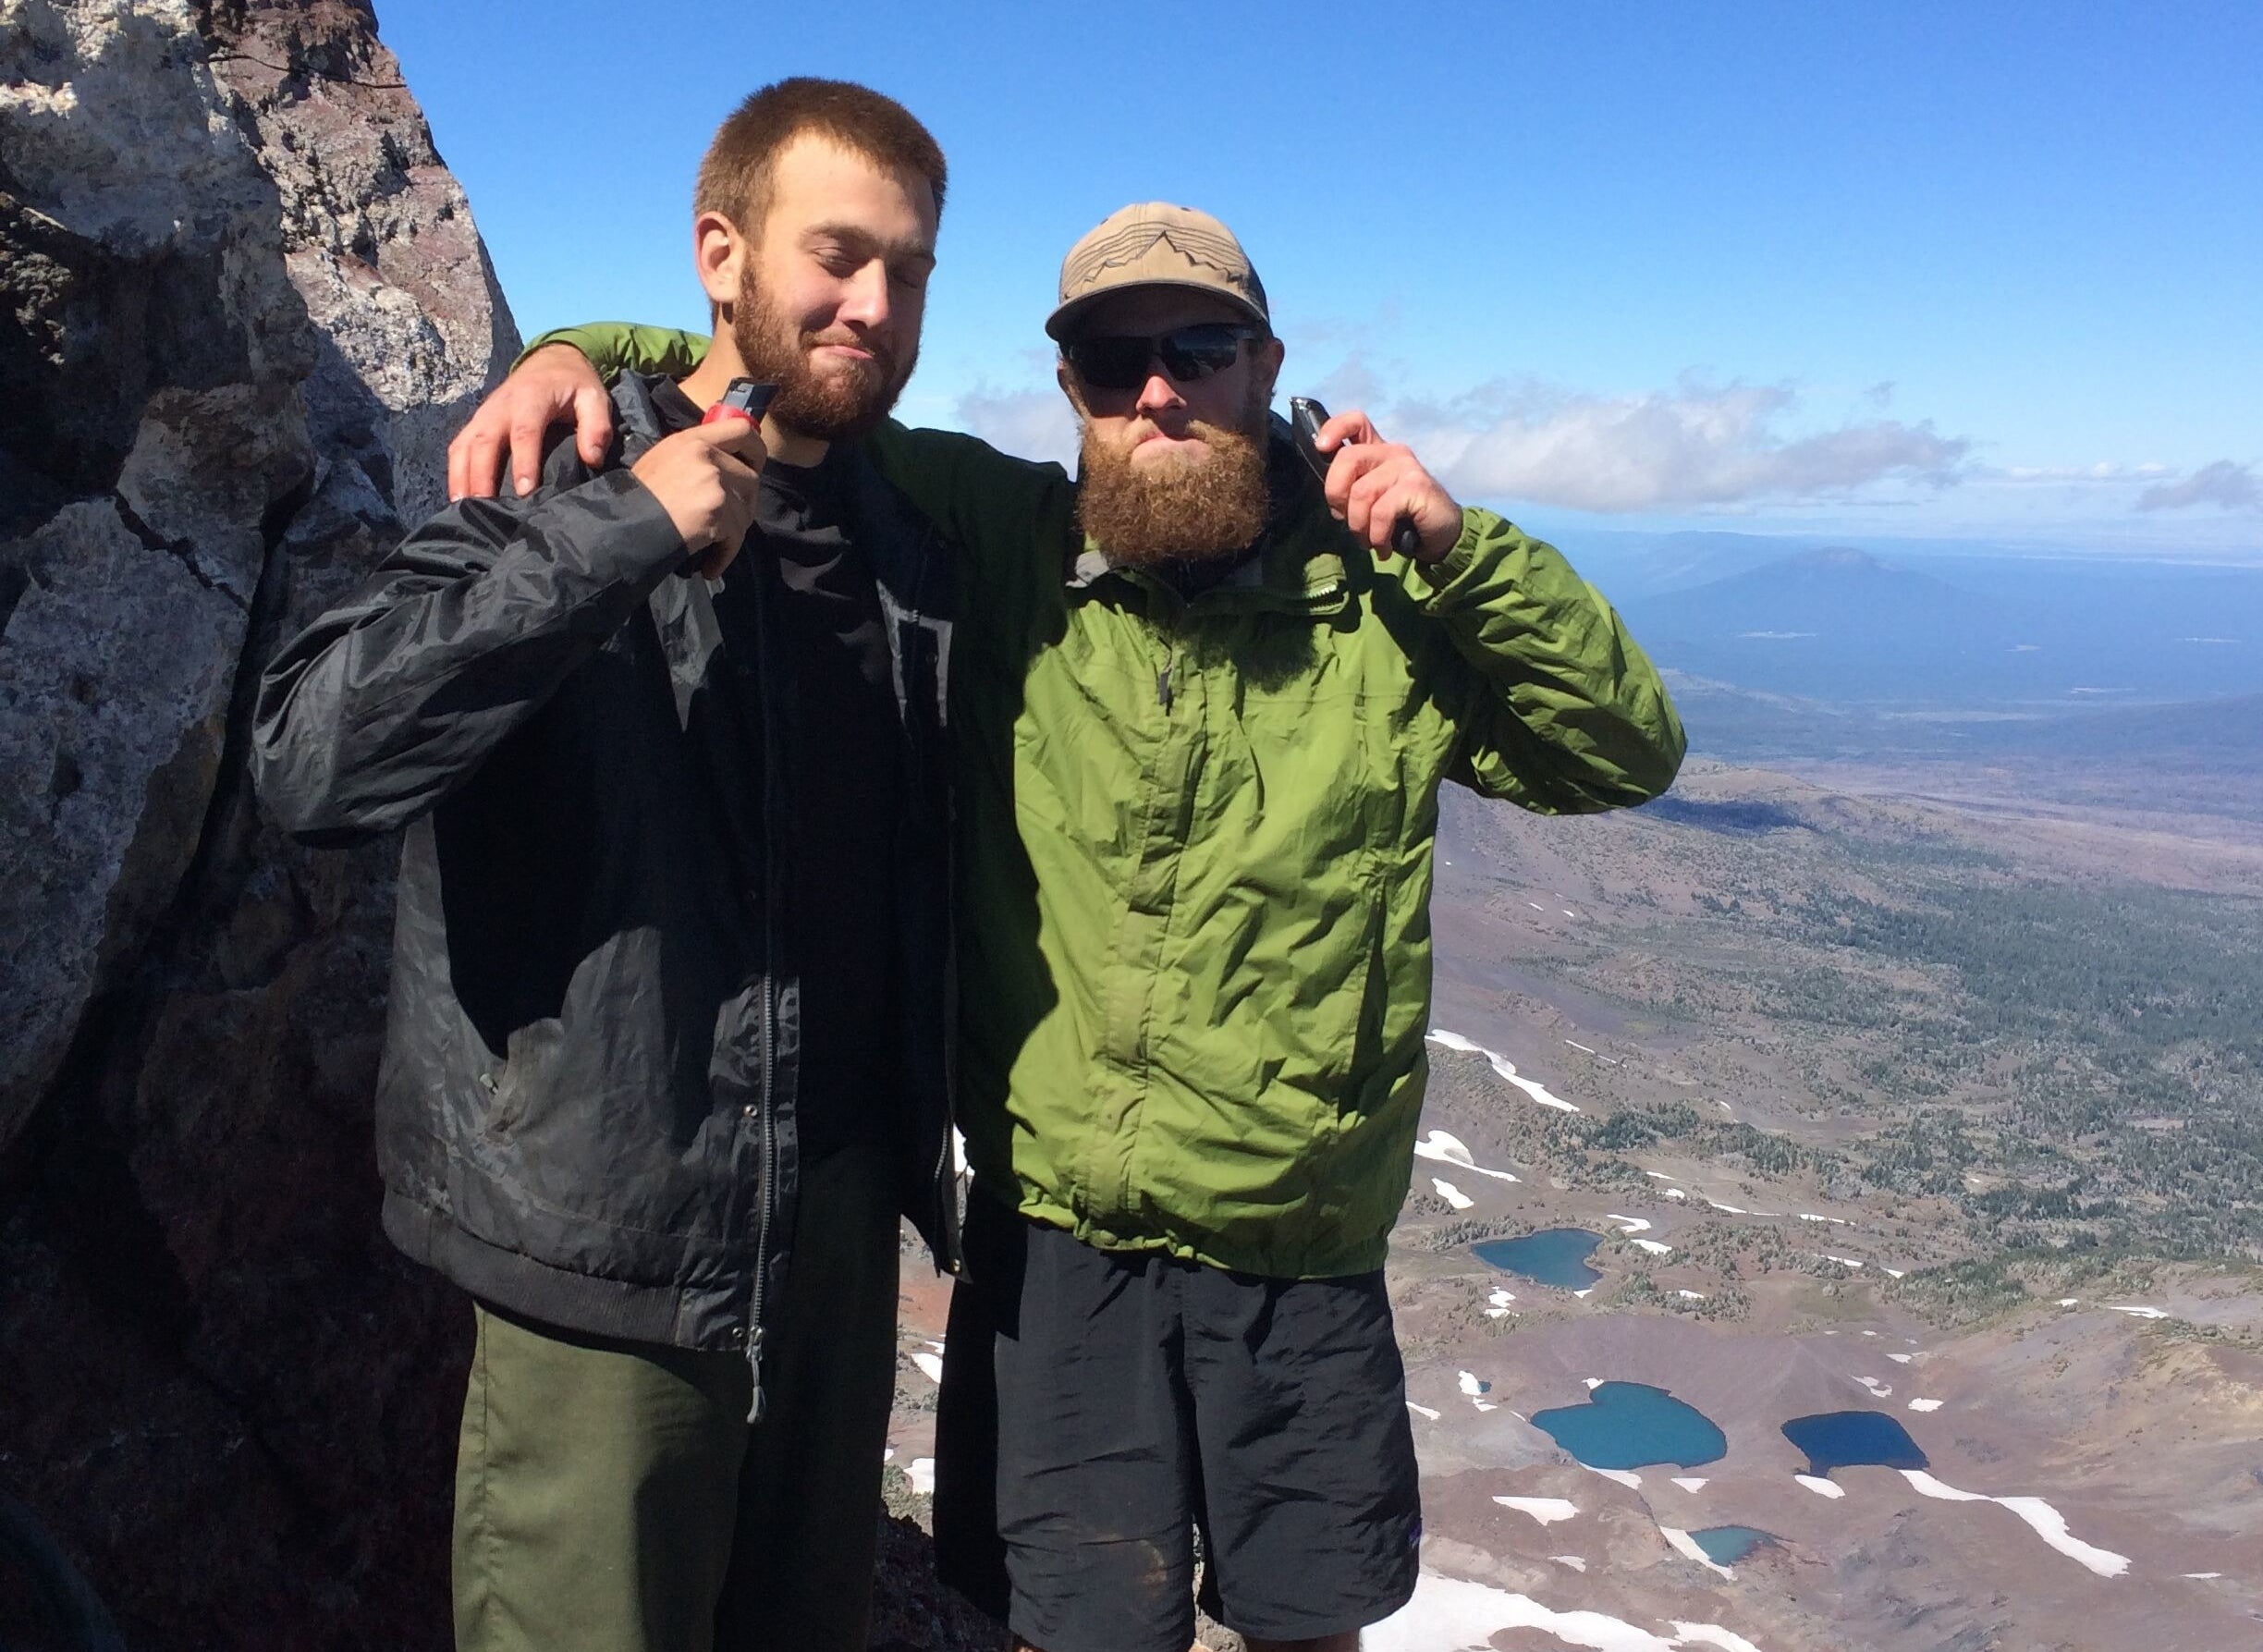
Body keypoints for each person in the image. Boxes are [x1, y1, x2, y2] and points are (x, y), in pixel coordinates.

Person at [456, 202, 1685, 1652]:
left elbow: (1620, 750)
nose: (1156, 390)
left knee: (1309, 1627)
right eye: (1112, 362)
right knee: (1072, 1630)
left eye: (1200, 349)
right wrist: (572, 351)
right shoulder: (1005, 537)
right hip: (1054, 1241)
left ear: (1266, 365)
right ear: (1071, 391)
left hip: (1292, 1248)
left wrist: (1463, 550)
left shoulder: (1382, 601)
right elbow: (800, 375)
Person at [251, 80, 959, 1652]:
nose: (875, 304)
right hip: (611, 1259)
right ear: (722, 253)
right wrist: (621, 529)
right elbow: (311, 759)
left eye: (910, 271)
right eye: (837, 255)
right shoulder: (558, 471)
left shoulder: (911, 539)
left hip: (837, 1248)